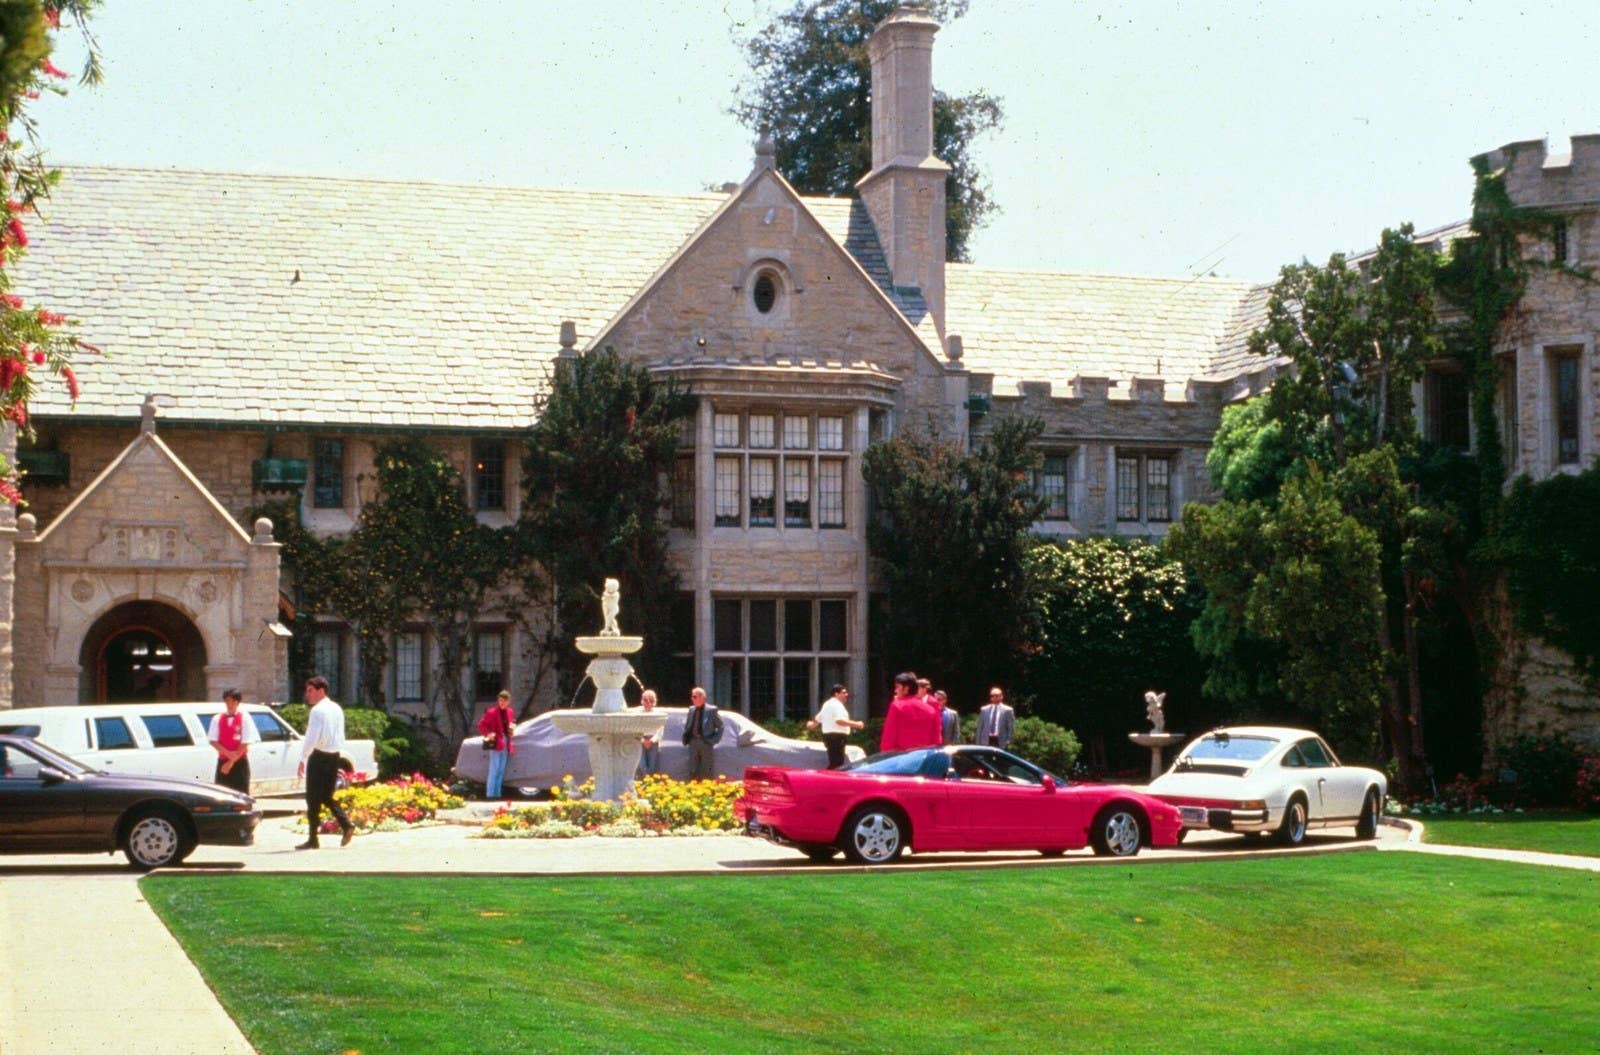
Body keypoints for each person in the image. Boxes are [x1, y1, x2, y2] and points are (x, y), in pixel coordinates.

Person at [295, 675, 355, 850]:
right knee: (327, 796)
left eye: (310, 690)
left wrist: (303, 758)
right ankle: (346, 824)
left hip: (319, 756)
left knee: (313, 798)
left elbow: (311, 737)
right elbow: (341, 734)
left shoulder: (318, 711)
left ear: (321, 690)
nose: (308, 695)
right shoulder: (336, 708)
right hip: (334, 755)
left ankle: (313, 839)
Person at [205, 688, 259, 794]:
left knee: (241, 792)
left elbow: (246, 741)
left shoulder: (245, 718)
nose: (230, 704)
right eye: (228, 701)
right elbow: (213, 740)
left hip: (240, 762)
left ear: (238, 702)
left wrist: (231, 762)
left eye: (233, 701)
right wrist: (228, 754)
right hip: (223, 760)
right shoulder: (217, 718)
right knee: (222, 792)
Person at [806, 683, 864, 769]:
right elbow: (839, 720)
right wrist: (857, 724)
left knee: (835, 761)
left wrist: (810, 725)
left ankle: (828, 778)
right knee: (837, 763)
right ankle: (827, 780)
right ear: (836, 694)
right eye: (844, 692)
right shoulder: (837, 705)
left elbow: (817, 720)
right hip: (837, 737)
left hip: (828, 737)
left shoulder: (827, 704)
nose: (846, 695)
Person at [880, 671, 941, 752]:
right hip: (923, 757)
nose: (895, 691)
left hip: (900, 758)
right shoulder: (931, 710)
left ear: (906, 689)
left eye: (897, 687)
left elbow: (888, 738)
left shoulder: (897, 706)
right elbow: (936, 739)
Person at [477, 689, 517, 799]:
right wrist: (488, 734)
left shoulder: (510, 712)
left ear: (508, 701)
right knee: (494, 769)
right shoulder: (491, 712)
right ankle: (490, 795)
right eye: (500, 700)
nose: (502, 703)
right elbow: (481, 725)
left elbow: (511, 725)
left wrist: (511, 731)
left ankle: (497, 795)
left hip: (506, 742)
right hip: (496, 742)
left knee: (501, 770)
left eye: (504, 701)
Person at [680, 686, 723, 780]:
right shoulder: (692, 709)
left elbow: (721, 726)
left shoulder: (711, 710)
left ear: (702, 697)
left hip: (706, 742)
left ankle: (706, 791)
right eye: (692, 696)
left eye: (694, 697)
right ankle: (692, 790)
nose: (692, 699)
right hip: (693, 741)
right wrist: (688, 737)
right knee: (692, 768)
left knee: (706, 769)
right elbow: (688, 724)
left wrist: (714, 740)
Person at [637, 688, 662, 775]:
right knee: (642, 766)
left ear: (654, 701)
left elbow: (660, 731)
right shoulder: (637, 713)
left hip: (653, 742)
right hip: (640, 741)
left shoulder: (658, 713)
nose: (648, 702)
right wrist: (642, 741)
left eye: (651, 700)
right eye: (645, 700)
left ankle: (649, 786)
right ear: (642, 701)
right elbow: (634, 729)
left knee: (652, 767)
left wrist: (651, 741)